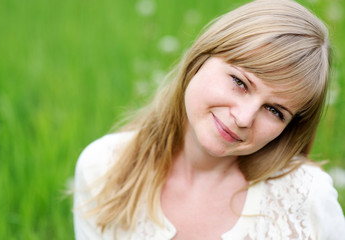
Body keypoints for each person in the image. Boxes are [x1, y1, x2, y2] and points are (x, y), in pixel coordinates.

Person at [73, 0, 345, 239]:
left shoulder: (308, 199)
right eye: (240, 82)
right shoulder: (104, 168)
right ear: (201, 59)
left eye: (274, 111)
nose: (243, 117)